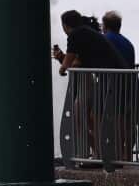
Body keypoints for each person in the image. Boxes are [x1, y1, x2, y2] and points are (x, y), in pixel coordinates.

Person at [53, 10, 126, 163]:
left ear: (65, 25)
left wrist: (62, 67)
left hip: (110, 78)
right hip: (116, 77)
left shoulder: (76, 34)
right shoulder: (86, 33)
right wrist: (62, 58)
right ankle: (104, 154)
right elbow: (78, 62)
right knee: (96, 119)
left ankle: (102, 155)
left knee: (93, 119)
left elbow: (69, 62)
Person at [102, 11, 139, 159]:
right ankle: (127, 154)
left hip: (117, 85)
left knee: (117, 119)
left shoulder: (105, 39)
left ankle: (118, 155)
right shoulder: (127, 42)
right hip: (133, 82)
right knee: (130, 121)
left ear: (105, 26)